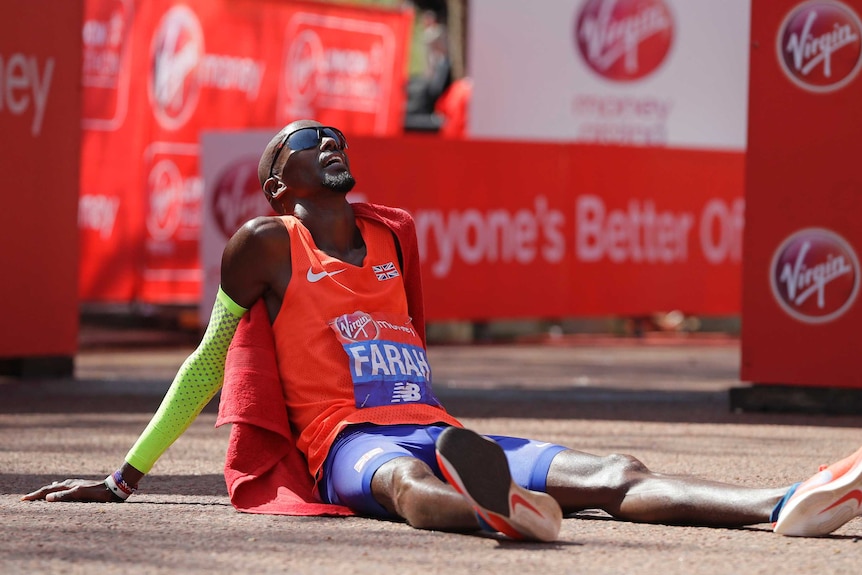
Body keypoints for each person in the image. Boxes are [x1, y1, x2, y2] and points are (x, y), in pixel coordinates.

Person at [23, 120, 862, 542]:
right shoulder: (269, 245)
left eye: (333, 133)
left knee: (616, 470)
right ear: (280, 185)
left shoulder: (390, 236)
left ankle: (780, 503)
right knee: (399, 488)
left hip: (439, 426)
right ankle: (498, 511)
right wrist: (125, 476)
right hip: (344, 438)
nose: (328, 137)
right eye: (307, 141)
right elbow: (209, 362)